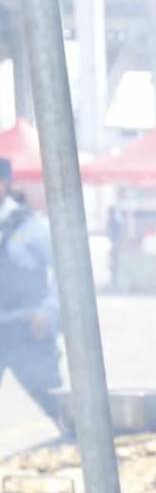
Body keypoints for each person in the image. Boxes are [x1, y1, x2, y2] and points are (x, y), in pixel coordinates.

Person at [0, 157, 61, 423]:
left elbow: (66, 269)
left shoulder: (31, 227)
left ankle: (90, 456)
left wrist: (49, 312)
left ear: (3, 184)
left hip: (27, 330)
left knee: (58, 405)